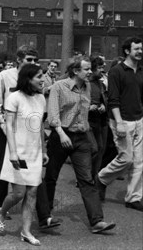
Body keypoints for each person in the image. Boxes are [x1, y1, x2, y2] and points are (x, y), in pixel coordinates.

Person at [42, 56, 116, 233]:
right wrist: (61, 134)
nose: (90, 72)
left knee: (87, 179)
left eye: (90, 69)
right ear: (76, 71)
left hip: (81, 136)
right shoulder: (59, 87)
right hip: (61, 135)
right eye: (87, 69)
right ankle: (45, 217)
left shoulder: (88, 86)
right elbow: (52, 116)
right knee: (51, 176)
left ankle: (97, 221)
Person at [0, 64, 47, 245]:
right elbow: (8, 126)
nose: (43, 80)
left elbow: (40, 125)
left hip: (35, 152)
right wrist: (13, 153)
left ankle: (26, 231)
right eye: (39, 76)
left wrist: (44, 150)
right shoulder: (14, 98)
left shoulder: (41, 99)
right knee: (18, 193)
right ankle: (1, 211)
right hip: (18, 151)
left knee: (32, 192)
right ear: (28, 78)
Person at [98, 37, 143, 211]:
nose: (140, 51)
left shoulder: (140, 70)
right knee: (126, 158)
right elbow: (113, 100)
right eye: (136, 49)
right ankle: (101, 179)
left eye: (141, 49)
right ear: (127, 51)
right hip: (121, 120)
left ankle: (133, 197)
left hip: (139, 119)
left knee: (139, 161)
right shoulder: (117, 71)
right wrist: (119, 123)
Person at [89, 57, 108, 181]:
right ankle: (85, 175)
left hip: (100, 120)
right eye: (100, 68)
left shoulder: (101, 84)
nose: (102, 70)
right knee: (93, 148)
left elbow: (105, 99)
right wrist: (89, 106)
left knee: (100, 148)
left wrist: (103, 105)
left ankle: (94, 175)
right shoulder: (86, 83)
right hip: (88, 120)